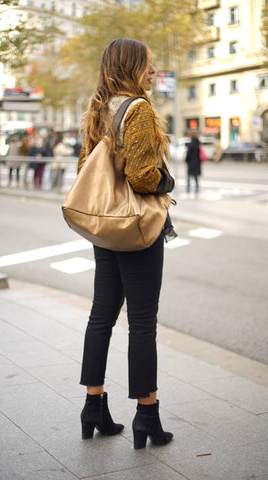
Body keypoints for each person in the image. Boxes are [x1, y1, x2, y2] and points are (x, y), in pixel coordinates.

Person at [77, 38, 176, 450]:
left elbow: (85, 168)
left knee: (102, 315)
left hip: (106, 226)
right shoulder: (138, 110)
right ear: (132, 67)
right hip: (136, 228)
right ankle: (147, 415)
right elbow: (141, 176)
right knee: (142, 322)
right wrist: (165, 182)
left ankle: (93, 406)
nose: (153, 72)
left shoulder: (99, 108)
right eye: (148, 65)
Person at [185, 130, 201, 194]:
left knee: (189, 175)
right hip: (197, 162)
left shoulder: (191, 144)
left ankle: (188, 188)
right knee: (196, 176)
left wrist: (186, 160)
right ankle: (197, 187)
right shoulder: (198, 143)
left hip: (191, 162)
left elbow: (188, 154)